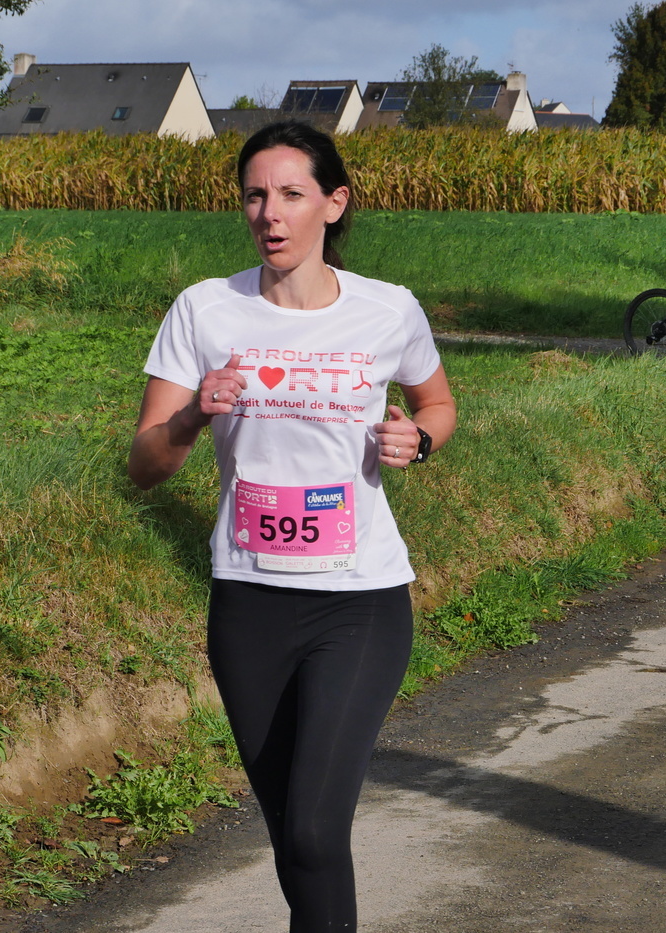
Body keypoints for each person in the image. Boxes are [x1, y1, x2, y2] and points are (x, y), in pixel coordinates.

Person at [127, 120, 456, 932]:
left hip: (361, 600)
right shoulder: (205, 309)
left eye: (290, 194)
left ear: (333, 203)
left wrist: (419, 440)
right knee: (293, 839)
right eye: (254, 195)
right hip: (249, 604)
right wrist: (192, 417)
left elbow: (437, 403)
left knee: (312, 827)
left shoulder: (387, 309)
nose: (268, 213)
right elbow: (144, 462)